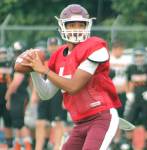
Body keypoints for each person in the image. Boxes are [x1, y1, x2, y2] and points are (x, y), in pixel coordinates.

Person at [21, 4, 121, 150]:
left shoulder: (95, 47)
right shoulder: (58, 55)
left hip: (101, 117)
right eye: (71, 24)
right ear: (62, 26)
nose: (76, 29)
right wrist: (34, 70)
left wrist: (45, 71)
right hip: (80, 123)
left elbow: (73, 86)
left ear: (88, 26)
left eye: (81, 25)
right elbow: (46, 93)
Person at [33, 38, 67, 150]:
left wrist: (66, 97)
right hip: (45, 91)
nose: (53, 47)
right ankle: (39, 147)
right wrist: (34, 93)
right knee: (40, 122)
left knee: (57, 122)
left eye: (55, 45)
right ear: (48, 47)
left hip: (58, 93)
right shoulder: (44, 60)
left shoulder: (64, 59)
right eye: (51, 45)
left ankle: (57, 147)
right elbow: (39, 78)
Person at [5, 41, 32, 150]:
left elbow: (16, 81)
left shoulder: (21, 63)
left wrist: (7, 96)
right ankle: (18, 145)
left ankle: (27, 146)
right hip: (20, 95)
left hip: (19, 96)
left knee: (20, 123)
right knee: (17, 122)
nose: (17, 54)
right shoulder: (24, 62)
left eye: (18, 52)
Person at [125, 48, 147, 150]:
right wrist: (129, 93)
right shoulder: (131, 68)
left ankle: (146, 144)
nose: (139, 58)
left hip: (146, 99)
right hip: (135, 99)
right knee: (129, 122)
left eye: (140, 56)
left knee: (146, 123)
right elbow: (128, 82)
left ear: (144, 56)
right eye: (137, 56)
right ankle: (129, 144)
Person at [0, 45, 13, 149]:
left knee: (8, 121)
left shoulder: (10, 65)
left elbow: (11, 82)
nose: (2, 55)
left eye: (4, 53)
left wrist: (9, 97)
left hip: (6, 96)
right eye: (1, 53)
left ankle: (9, 144)